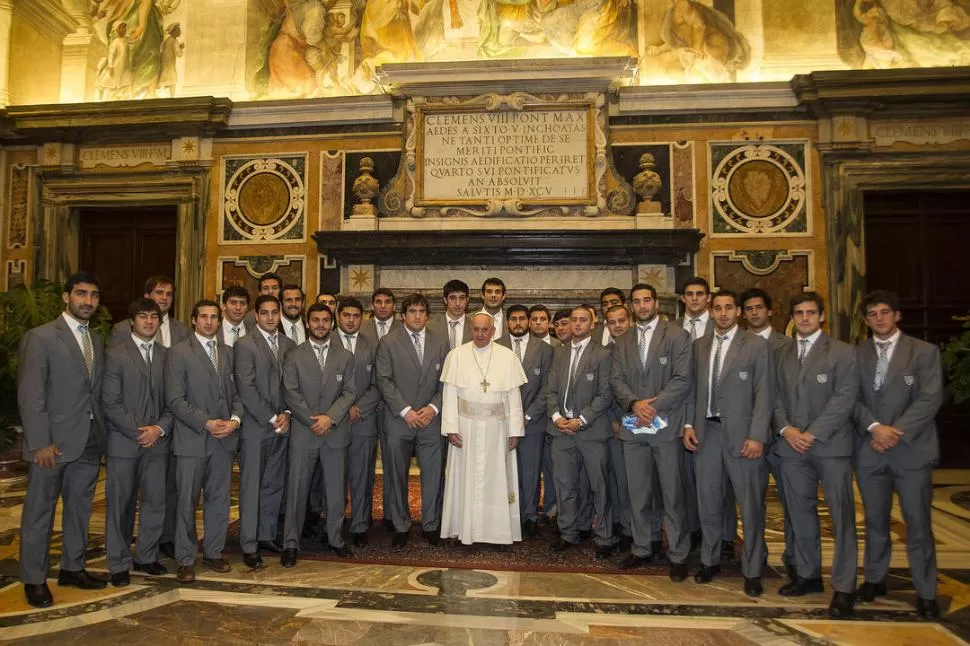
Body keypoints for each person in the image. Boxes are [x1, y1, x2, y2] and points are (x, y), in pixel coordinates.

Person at [18, 272, 107, 608]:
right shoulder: (40, 338)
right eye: (81, 294)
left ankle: (73, 567)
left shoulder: (96, 339)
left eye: (94, 295)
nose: (88, 301)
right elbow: (31, 394)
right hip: (51, 445)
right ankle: (34, 578)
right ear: (66, 297)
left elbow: (92, 394)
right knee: (39, 512)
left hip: (87, 441)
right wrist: (40, 441)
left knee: (79, 509)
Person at [854, 290, 943, 620]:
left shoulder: (923, 352)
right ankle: (875, 578)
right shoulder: (857, 354)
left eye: (885, 312)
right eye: (872, 314)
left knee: (918, 524)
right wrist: (875, 428)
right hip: (871, 450)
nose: (879, 318)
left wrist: (893, 432)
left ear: (897, 315)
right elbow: (851, 398)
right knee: (875, 522)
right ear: (865, 320)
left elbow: (930, 399)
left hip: (910, 451)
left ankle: (926, 591)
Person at [772, 292, 858, 618]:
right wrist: (786, 430)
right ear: (792, 318)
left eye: (810, 313)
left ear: (822, 316)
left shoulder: (843, 352)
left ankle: (845, 587)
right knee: (799, 512)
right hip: (791, 447)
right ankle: (809, 576)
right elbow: (774, 397)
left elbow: (844, 398)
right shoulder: (783, 353)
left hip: (831, 446)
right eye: (799, 313)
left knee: (841, 518)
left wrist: (812, 433)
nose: (804, 318)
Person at [683, 291, 772, 596]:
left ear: (738, 312)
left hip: (744, 436)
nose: (722, 313)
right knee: (708, 502)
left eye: (728, 308)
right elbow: (691, 390)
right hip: (706, 434)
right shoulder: (699, 346)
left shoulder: (757, 345)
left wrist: (757, 435)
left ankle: (752, 568)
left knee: (749, 505)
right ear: (711, 310)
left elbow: (765, 394)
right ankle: (709, 561)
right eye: (717, 308)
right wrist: (688, 424)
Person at [611, 283, 692, 580]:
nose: (642, 306)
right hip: (634, 427)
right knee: (638, 492)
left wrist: (652, 406)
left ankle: (679, 554)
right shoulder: (623, 340)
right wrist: (634, 404)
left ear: (656, 303)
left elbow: (682, 379)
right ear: (631, 306)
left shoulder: (677, 335)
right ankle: (643, 547)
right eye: (637, 301)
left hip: (665, 425)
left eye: (647, 300)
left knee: (672, 494)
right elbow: (616, 380)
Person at [166, 299, 244, 584]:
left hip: (223, 440)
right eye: (204, 317)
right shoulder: (178, 353)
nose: (210, 322)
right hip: (193, 439)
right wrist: (206, 422)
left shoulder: (228, 352)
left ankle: (213, 551)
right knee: (187, 501)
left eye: (214, 317)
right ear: (193, 320)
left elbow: (238, 393)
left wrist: (235, 420)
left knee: (219, 499)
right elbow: (175, 399)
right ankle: (185, 558)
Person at [441, 312, 528, 544]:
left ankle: (497, 533)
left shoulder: (508, 357)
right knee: (464, 479)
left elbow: (513, 396)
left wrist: (515, 430)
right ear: (471, 329)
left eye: (485, 330)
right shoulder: (456, 355)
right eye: (476, 329)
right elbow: (449, 394)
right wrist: (450, 427)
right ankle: (463, 530)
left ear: (493, 331)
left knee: (496, 480)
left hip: (497, 430)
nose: (480, 334)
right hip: (465, 428)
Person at [103, 298, 172, 588]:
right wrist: (138, 431)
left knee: (155, 502)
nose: (149, 322)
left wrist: (158, 428)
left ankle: (146, 554)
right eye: (143, 316)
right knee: (121, 504)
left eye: (154, 317)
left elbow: (175, 401)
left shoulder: (168, 356)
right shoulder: (115, 354)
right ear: (132, 321)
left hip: (158, 442)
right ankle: (118, 562)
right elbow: (110, 401)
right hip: (124, 442)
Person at [281, 303, 357, 566]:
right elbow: (290, 392)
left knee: (336, 491)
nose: (321, 325)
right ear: (307, 323)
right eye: (316, 320)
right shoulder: (293, 355)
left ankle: (335, 539)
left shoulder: (345, 356)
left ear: (332, 323)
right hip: (304, 432)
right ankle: (291, 543)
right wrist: (312, 420)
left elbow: (350, 392)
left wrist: (330, 418)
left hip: (335, 432)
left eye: (326, 320)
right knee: (297, 491)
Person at [376, 293, 450, 547]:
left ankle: (431, 524)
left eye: (421, 311)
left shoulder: (441, 341)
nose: (417, 316)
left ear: (428, 315)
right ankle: (400, 525)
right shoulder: (388, 342)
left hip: (430, 421)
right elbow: (383, 380)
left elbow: (447, 381)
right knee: (396, 475)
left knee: (433, 475)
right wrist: (405, 410)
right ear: (403, 315)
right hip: (399, 421)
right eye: (412, 311)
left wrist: (433, 407)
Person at [546, 305, 615, 558]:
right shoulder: (559, 353)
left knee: (599, 486)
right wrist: (556, 417)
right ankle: (568, 533)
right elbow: (550, 389)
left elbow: (606, 393)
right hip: (561, 430)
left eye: (582, 320)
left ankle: (604, 537)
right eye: (573, 320)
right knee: (565, 485)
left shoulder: (603, 354)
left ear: (593, 323)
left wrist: (582, 419)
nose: (576, 324)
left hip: (592, 431)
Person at [234, 295, 295, 568]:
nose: (270, 318)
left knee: (273, 484)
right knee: (252, 486)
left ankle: (266, 534)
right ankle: (248, 544)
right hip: (257, 427)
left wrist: (288, 414)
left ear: (280, 314)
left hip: (283, 425)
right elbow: (246, 388)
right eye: (265, 313)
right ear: (256, 316)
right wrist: (272, 417)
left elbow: (294, 386)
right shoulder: (244, 345)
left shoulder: (290, 345)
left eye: (274, 312)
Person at [741, 287, 796, 579]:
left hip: (784, 437)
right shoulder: (737, 345)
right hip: (751, 437)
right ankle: (755, 559)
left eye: (759, 308)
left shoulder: (788, 345)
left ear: (770, 311)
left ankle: (795, 559)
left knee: (793, 502)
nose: (754, 313)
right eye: (748, 308)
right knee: (752, 504)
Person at [499, 305, 554, 539]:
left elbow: (547, 388)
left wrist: (527, 414)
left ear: (529, 322)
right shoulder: (496, 347)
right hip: (500, 422)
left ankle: (529, 516)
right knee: (502, 472)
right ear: (507, 322)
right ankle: (504, 516)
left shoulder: (544, 349)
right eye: (513, 319)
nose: (518, 323)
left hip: (533, 421)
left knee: (530, 471)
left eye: (523, 319)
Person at [335, 298, 383, 547]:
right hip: (334, 422)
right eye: (346, 315)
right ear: (338, 316)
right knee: (334, 476)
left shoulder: (372, 345)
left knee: (362, 475)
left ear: (362, 318)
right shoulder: (325, 341)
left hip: (363, 420)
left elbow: (378, 382)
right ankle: (333, 523)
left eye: (356, 316)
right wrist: (342, 409)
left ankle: (360, 524)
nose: (351, 320)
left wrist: (358, 408)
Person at [109, 275, 191, 348]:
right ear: (147, 296)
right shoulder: (122, 329)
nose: (165, 297)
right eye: (159, 293)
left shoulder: (184, 331)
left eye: (169, 294)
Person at [428, 279, 472, 351]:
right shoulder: (431, 326)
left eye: (462, 298)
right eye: (452, 298)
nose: (458, 303)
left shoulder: (474, 325)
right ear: (445, 300)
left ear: (467, 300)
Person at [480, 277, 512, 343]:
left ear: (503, 296)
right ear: (482, 295)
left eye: (497, 292)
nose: (493, 295)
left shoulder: (511, 319)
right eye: (489, 291)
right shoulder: (469, 319)